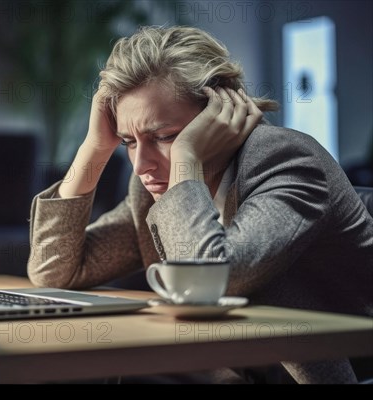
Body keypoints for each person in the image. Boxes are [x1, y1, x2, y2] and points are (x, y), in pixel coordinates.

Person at [27, 25, 373, 384]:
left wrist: (185, 157)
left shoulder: (285, 159)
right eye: (128, 141)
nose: (141, 164)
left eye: (164, 136)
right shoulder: (151, 187)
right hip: (235, 364)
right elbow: (55, 270)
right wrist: (94, 149)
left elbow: (207, 282)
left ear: (218, 116)